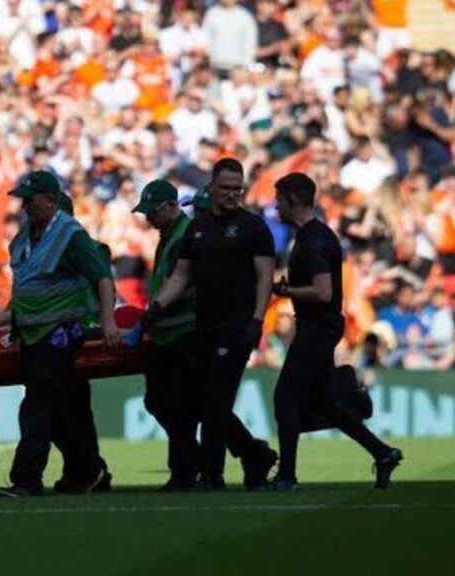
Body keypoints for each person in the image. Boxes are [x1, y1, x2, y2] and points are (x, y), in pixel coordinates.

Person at [0, 171, 120, 497]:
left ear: (49, 199)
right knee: (66, 410)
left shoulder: (70, 235)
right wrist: (3, 325)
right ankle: (90, 471)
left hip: (61, 332)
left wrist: (108, 322)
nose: (24, 207)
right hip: (32, 334)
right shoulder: (23, 238)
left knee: (36, 406)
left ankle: (27, 479)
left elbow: (103, 276)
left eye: (30, 200)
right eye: (22, 200)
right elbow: (27, 291)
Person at [149, 158, 279, 490]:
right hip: (203, 326)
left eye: (238, 188)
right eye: (226, 188)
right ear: (211, 188)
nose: (232, 194)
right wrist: (157, 305)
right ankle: (254, 456)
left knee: (216, 400)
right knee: (203, 400)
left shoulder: (254, 228)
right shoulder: (198, 227)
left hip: (236, 326)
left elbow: (265, 277)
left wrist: (257, 320)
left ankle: (212, 474)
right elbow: (181, 276)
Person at [268, 173, 403, 491]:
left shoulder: (313, 240)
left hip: (318, 327)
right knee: (329, 403)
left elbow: (323, 291)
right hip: (321, 325)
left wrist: (285, 291)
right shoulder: (312, 236)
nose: (276, 207)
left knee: (285, 397)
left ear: (294, 200)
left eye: (280, 200)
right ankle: (383, 453)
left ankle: (287, 476)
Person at [126, 180, 203, 491]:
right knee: (162, 402)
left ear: (172, 207)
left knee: (178, 405)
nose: (149, 219)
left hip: (184, 331)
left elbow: (181, 281)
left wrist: (152, 310)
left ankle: (185, 471)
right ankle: (195, 463)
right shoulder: (169, 235)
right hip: (166, 331)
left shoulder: (186, 235)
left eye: (153, 212)